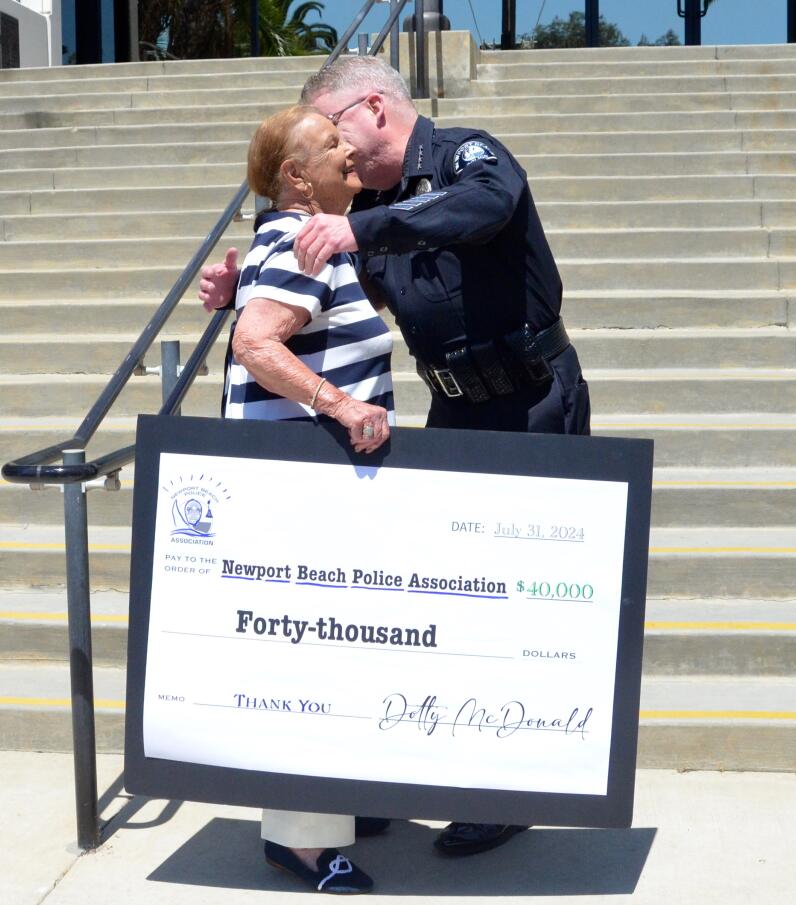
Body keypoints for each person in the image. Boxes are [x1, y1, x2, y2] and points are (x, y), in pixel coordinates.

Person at [200, 55, 590, 855]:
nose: (335, 147)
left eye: (335, 127)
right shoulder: (361, 210)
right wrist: (251, 280)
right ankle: (405, 774)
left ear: (373, 108)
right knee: (447, 604)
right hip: (452, 405)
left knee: (519, 602)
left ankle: (505, 789)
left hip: (529, 398)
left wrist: (359, 227)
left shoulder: (464, 157)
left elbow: (484, 207)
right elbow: (331, 292)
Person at [226, 103, 395, 894]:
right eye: (332, 144)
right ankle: (298, 840)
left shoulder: (303, 242)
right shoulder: (301, 242)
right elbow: (255, 342)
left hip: (307, 491)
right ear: (297, 177)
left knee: (325, 652)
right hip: (298, 496)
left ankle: (329, 801)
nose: (351, 148)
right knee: (307, 659)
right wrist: (341, 403)